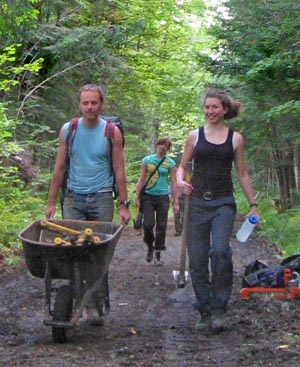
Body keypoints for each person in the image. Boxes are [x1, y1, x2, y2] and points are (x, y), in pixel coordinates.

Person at [45, 83, 131, 326]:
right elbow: (59, 167)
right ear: (79, 104)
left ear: (101, 104)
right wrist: (51, 202)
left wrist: (124, 204)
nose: (90, 107)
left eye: (94, 103)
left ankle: (95, 304)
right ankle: (79, 302)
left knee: (97, 253)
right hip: (73, 197)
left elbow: (119, 169)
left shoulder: (111, 132)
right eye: (86, 103)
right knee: (73, 251)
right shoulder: (69, 130)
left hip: (102, 198)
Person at [176, 89, 259, 332]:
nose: (210, 111)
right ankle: (204, 309)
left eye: (215, 107)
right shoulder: (194, 136)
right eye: (207, 107)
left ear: (224, 109)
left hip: (223, 202)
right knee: (199, 259)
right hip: (198, 203)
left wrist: (253, 203)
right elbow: (182, 167)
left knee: (220, 252)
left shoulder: (235, 139)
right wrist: (181, 182)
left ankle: (219, 308)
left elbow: (242, 173)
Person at [135, 137, 179, 265]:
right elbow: (141, 179)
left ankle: (158, 252)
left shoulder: (170, 163)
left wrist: (176, 201)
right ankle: (150, 246)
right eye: (161, 144)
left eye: (166, 146)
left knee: (161, 226)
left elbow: (174, 183)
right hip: (148, 196)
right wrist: (137, 197)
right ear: (157, 145)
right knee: (148, 224)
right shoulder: (147, 160)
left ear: (168, 148)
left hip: (162, 197)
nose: (162, 147)